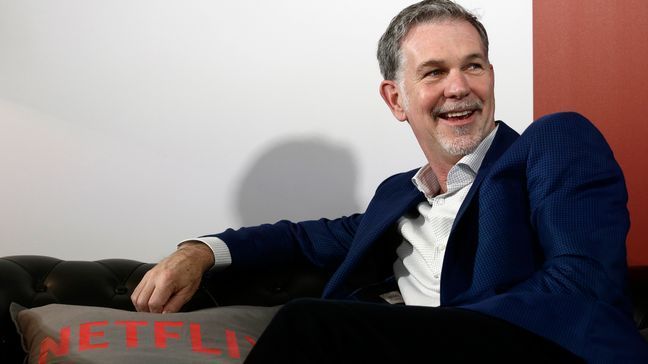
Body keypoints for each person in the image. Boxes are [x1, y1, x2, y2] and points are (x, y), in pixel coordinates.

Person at [131, 1, 648, 362]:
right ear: (396, 100)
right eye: (434, 72)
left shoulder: (552, 143)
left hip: (541, 349)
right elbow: (301, 238)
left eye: (474, 66)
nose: (459, 87)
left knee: (307, 323)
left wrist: (426, 331)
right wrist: (199, 251)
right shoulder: (397, 199)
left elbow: (582, 286)